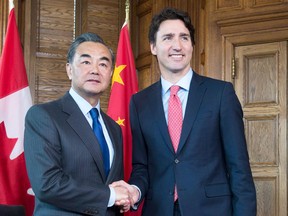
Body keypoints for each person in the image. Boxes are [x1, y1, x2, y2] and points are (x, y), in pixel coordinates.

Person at [111, 7, 257, 216]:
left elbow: (239, 168)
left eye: (184, 38)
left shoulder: (221, 94)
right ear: (153, 46)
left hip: (212, 211)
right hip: (159, 210)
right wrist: (134, 190)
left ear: (192, 45)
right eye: (168, 38)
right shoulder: (139, 103)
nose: (177, 46)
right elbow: (141, 166)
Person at [24, 32, 130, 215]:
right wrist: (111, 195)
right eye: (86, 62)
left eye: (103, 64)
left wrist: (121, 199)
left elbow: (111, 184)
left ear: (111, 73)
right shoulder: (43, 116)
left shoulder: (113, 128)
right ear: (69, 69)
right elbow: (47, 184)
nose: (95, 70)